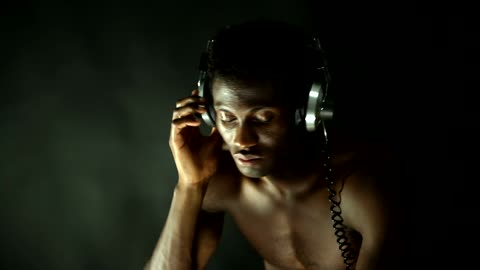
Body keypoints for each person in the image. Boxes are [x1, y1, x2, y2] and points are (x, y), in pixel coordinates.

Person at [144, 19, 405, 270]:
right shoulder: (223, 180)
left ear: (307, 112)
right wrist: (190, 185)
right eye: (227, 118)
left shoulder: (365, 189)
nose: (242, 140)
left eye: (262, 119)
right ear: (210, 113)